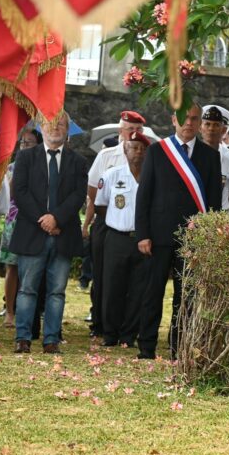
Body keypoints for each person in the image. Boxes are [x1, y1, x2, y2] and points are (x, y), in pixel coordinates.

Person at [135, 103, 222, 360]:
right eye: (184, 118)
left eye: (194, 119)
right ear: (174, 120)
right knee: (152, 293)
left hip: (193, 238)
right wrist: (143, 234)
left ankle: (178, 346)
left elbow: (214, 202)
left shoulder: (210, 156)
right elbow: (144, 195)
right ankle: (146, 347)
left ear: (199, 123)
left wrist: (209, 238)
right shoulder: (158, 151)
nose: (189, 123)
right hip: (158, 236)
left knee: (186, 297)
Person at [10, 112, 87, 354]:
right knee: (27, 289)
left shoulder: (78, 161)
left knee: (57, 291)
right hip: (32, 232)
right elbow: (20, 192)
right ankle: (23, 338)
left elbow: (78, 195)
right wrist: (43, 220)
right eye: (51, 123)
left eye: (61, 124)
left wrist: (56, 218)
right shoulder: (25, 157)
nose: (55, 128)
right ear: (41, 127)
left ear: (67, 129)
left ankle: (51, 339)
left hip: (63, 234)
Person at [83, 110, 145, 338]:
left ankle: (126, 326)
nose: (133, 133)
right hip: (106, 221)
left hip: (133, 227)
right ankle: (100, 323)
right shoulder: (107, 155)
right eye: (130, 129)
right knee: (103, 275)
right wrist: (108, 216)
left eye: (137, 130)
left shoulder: (145, 155)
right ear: (121, 130)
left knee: (133, 280)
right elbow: (93, 191)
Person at [95, 131, 151, 348]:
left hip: (142, 240)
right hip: (117, 238)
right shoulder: (111, 175)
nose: (138, 152)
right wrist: (118, 220)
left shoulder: (152, 177)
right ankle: (110, 333)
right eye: (133, 148)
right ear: (125, 150)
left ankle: (129, 335)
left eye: (142, 149)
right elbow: (101, 206)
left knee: (138, 289)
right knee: (112, 287)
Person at [0, 126, 42, 329]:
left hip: (35, 221)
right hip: (14, 221)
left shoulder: (43, 167)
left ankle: (29, 312)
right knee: (12, 267)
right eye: (22, 142)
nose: (24, 146)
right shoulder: (12, 168)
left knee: (32, 269)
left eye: (29, 143)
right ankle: (9, 311)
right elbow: (8, 195)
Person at [199, 104, 229, 210]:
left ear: (223, 130)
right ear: (200, 128)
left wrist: (221, 212)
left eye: (216, 125)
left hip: (220, 215)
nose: (211, 129)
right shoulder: (189, 154)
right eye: (207, 124)